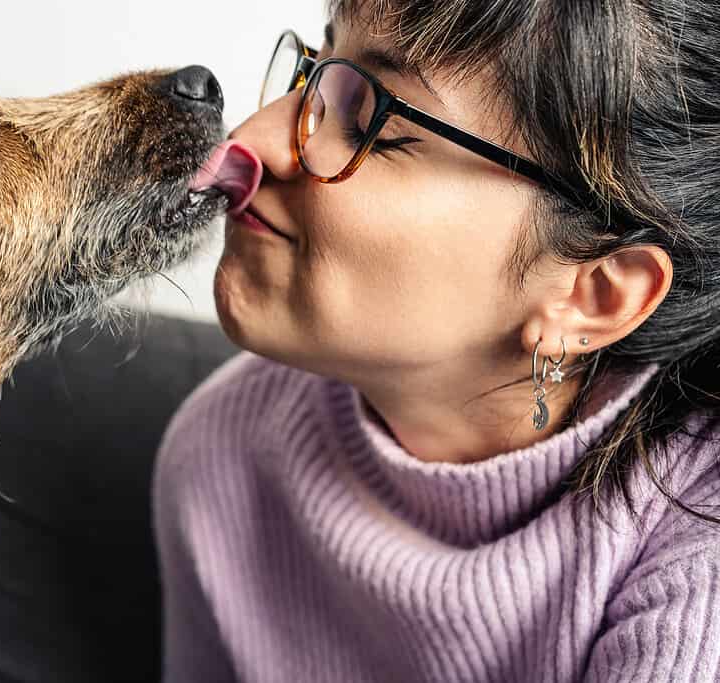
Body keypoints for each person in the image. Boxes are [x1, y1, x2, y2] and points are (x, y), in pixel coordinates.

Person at [154, 0, 720, 681]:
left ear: (591, 295)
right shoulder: (222, 452)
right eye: (315, 73)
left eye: (366, 121)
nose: (250, 141)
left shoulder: (693, 561)